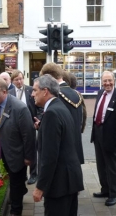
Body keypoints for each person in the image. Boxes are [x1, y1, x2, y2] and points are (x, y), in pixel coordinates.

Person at [32, 74, 84, 216]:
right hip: (69, 180)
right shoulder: (59, 107)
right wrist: (42, 127)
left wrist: (40, 187)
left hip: (59, 184)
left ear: (45, 91)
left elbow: (50, 157)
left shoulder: (52, 114)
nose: (32, 94)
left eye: (35, 90)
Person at [0, 77, 36, 216]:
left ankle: (16, 211)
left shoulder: (20, 108)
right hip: (2, 151)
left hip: (17, 154)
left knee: (16, 184)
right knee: (13, 182)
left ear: (4, 92)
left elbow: (29, 135)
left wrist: (28, 157)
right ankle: (20, 191)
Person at [91, 70, 116, 206]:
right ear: (101, 81)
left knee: (112, 166)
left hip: (112, 136)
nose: (107, 83)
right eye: (105, 81)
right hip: (98, 132)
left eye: (110, 80)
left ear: (114, 81)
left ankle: (114, 194)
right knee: (101, 164)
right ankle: (105, 190)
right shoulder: (100, 93)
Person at [39, 63, 85, 164]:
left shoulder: (56, 95)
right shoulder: (76, 93)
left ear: (48, 77)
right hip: (76, 148)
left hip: (63, 153)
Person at [9, 69, 41, 185]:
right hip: (15, 127)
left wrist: (37, 120)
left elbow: (38, 107)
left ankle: (33, 174)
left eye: (21, 78)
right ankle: (23, 174)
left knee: (31, 148)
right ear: (12, 81)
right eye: (17, 79)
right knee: (19, 150)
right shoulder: (10, 93)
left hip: (29, 124)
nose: (19, 81)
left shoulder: (30, 90)